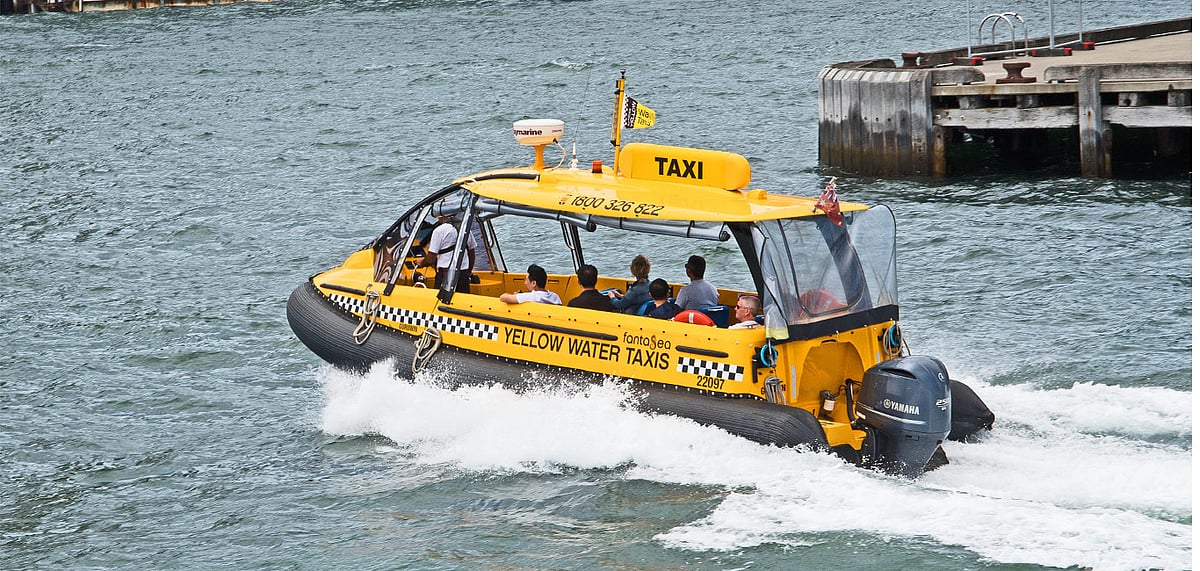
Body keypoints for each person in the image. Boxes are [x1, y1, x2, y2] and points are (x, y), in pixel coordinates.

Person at [418, 211, 476, 293]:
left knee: (441, 302)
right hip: (463, 275)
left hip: (445, 275)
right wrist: (468, 272)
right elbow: (471, 254)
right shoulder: (465, 229)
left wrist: (422, 263)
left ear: (440, 216)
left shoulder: (439, 231)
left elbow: (431, 259)